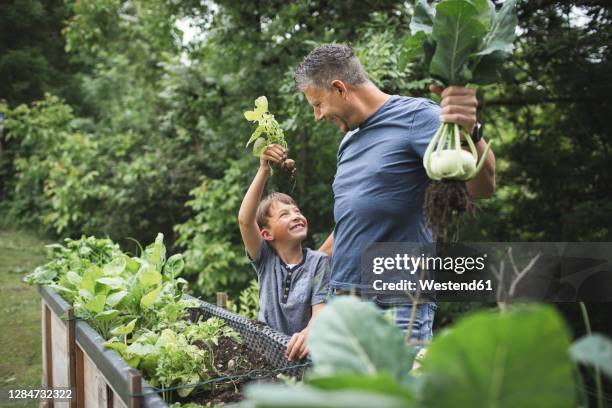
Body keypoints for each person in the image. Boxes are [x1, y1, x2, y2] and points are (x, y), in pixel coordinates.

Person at [293, 43, 496, 342]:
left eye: (317, 104)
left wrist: (471, 130)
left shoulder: (417, 117)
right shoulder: (348, 142)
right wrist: (304, 273)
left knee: (395, 389)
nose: (317, 115)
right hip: (342, 304)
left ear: (339, 88)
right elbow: (353, 223)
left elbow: (482, 187)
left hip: (394, 304)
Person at [238, 144, 330, 361]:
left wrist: (309, 332)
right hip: (266, 356)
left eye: (297, 211)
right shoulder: (264, 260)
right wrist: (263, 170)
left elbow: (320, 310)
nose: (296, 215)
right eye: (284, 215)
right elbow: (244, 220)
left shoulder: (319, 262)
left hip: (305, 358)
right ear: (266, 234)